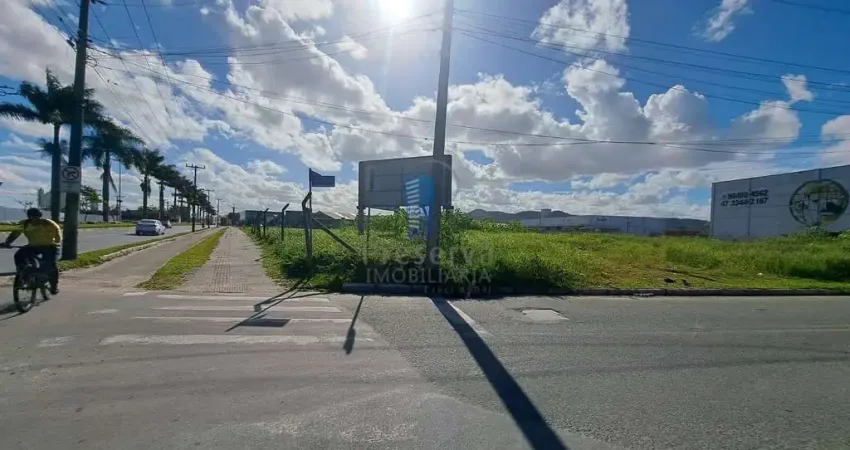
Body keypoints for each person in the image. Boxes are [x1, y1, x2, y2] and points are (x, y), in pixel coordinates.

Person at [0, 208, 61, 294]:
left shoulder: (48, 223)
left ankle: (54, 286)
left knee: (51, 265)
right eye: (32, 217)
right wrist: (7, 243)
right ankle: (23, 275)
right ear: (29, 217)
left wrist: (56, 242)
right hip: (33, 246)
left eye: (37, 217)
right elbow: (14, 234)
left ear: (40, 216)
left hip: (49, 246)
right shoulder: (24, 223)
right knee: (19, 255)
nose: (35, 220)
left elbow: (57, 236)